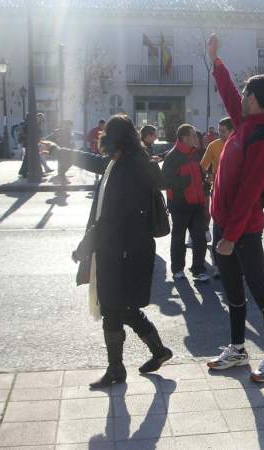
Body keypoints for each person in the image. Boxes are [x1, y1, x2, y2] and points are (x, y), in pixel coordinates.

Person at [57, 114, 173, 388]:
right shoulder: (124, 161)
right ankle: (157, 352)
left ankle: (116, 369)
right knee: (123, 308)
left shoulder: (127, 168)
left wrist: (84, 247)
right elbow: (98, 163)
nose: (102, 137)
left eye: (106, 133)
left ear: (113, 138)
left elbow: (110, 219)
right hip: (126, 247)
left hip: (123, 250)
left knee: (113, 308)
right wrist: (61, 151)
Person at [205, 34, 264, 383]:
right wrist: (216, 62)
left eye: (244, 93)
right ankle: (238, 349)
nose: (239, 97)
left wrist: (231, 237)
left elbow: (249, 194)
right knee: (233, 292)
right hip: (224, 225)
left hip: (244, 230)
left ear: (253, 99)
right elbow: (227, 93)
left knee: (259, 290)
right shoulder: (245, 124)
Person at [162, 124, 210, 282]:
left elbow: (200, 176)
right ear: (185, 138)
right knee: (178, 238)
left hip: (197, 205)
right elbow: (165, 181)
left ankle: (198, 269)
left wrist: (205, 182)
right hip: (179, 206)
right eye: (194, 135)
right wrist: (187, 181)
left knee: (200, 238)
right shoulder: (172, 156)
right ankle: (177, 269)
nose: (197, 138)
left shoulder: (195, 154)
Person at [201, 116, 234, 277]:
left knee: (234, 229)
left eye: (223, 131)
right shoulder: (213, 145)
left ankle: (236, 266)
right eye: (219, 130)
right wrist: (208, 176)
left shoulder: (240, 145)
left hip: (235, 194)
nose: (219, 134)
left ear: (232, 131)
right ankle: (218, 267)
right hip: (218, 193)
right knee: (218, 229)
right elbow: (203, 166)